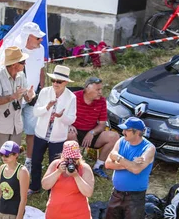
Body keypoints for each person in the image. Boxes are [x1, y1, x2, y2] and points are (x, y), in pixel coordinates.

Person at [0, 46, 35, 198]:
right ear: (14, 64)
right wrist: (12, 96)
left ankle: (10, 183)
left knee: (13, 155)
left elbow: (25, 96)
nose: (24, 64)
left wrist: (29, 96)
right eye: (22, 62)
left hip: (15, 124)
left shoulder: (21, 76)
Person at [29, 65, 77, 194]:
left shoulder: (71, 97)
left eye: (59, 81)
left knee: (55, 164)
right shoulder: (45, 92)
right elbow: (35, 112)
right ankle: (34, 187)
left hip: (58, 137)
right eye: (53, 80)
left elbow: (72, 119)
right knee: (36, 161)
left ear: (66, 82)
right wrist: (47, 107)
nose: (55, 83)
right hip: (41, 133)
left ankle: (53, 190)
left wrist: (62, 117)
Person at [68, 76, 119, 179]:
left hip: (91, 131)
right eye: (97, 89)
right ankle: (74, 164)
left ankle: (98, 166)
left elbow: (102, 124)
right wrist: (69, 125)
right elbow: (63, 115)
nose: (100, 92)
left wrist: (92, 132)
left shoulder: (101, 101)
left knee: (114, 136)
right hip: (75, 130)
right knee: (70, 134)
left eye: (101, 89)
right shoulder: (73, 97)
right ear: (87, 88)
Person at [16, 22, 46, 172]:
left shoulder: (40, 50)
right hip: (16, 97)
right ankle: (11, 160)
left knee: (32, 131)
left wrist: (40, 90)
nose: (41, 41)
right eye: (38, 38)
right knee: (14, 131)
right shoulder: (15, 50)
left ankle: (29, 160)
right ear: (27, 37)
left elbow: (41, 70)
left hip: (33, 97)